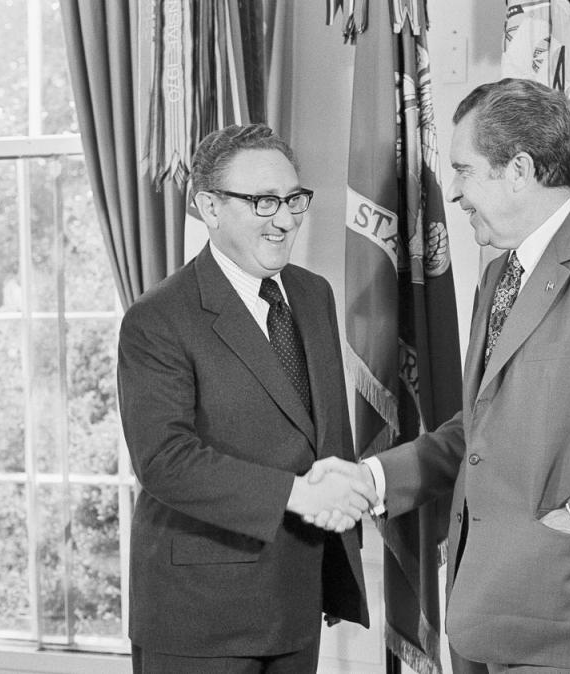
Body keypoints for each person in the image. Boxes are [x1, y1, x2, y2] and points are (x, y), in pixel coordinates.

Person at [310, 78, 570, 673]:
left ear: (519, 169)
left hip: (566, 618)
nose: (453, 192)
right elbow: (479, 430)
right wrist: (373, 479)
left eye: (463, 170)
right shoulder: (498, 276)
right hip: (480, 611)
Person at [117, 123, 377, 673]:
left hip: (298, 599)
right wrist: (296, 494)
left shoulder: (312, 294)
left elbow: (324, 434)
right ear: (209, 206)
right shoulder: (157, 318)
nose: (284, 220)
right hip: (198, 617)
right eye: (262, 202)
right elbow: (164, 462)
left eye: (293, 199)